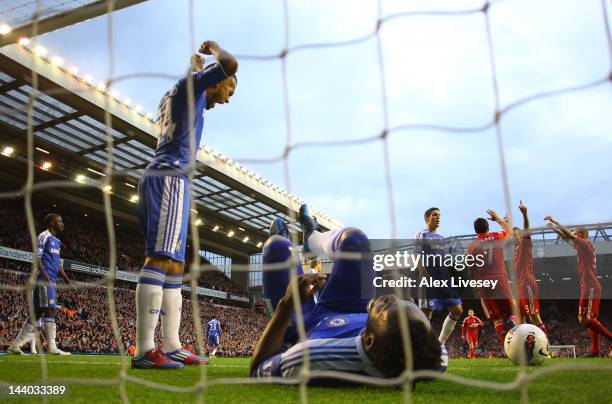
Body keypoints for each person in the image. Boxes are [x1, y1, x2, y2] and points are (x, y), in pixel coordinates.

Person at [133, 40, 238, 369]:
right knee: (161, 259)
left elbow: (191, 84)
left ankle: (173, 345)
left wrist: (194, 67)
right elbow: (231, 64)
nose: (228, 98)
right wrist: (216, 50)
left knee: (176, 266)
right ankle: (145, 349)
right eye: (229, 90)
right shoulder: (193, 86)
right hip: (170, 178)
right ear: (215, 80)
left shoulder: (179, 92)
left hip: (167, 178)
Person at [251, 205, 446, 381]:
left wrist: (286, 305)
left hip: (304, 326)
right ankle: (312, 238)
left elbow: (257, 369)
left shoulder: (312, 358)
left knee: (276, 246)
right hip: (348, 306)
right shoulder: (432, 354)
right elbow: (435, 354)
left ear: (368, 341)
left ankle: (285, 244)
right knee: (354, 240)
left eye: (387, 306)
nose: (392, 297)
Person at [544, 216, 611, 357]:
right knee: (591, 319)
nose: (573, 236)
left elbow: (569, 236)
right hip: (589, 285)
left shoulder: (585, 244)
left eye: (575, 234)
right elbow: (567, 238)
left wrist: (556, 222)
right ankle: (595, 351)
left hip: (590, 286)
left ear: (581, 235)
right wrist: (555, 229)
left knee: (584, 319)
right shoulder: (582, 246)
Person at [8, 214, 71, 355]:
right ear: (51, 222)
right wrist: (44, 274)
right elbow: (37, 256)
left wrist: (67, 279)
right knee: (50, 309)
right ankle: (52, 347)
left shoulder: (57, 241)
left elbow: (58, 263)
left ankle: (15, 346)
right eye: (59, 221)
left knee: (38, 313)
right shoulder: (44, 236)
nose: (62, 223)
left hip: (51, 280)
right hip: (43, 279)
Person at [466, 209, 518, 345]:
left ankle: (508, 347)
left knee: (497, 319)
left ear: (476, 231)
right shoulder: (497, 236)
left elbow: (470, 269)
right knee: (512, 313)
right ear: (488, 227)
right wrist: (500, 220)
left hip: (483, 283)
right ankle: (515, 331)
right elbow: (510, 231)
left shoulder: (472, 247)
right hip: (499, 278)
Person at [415, 207, 463, 345]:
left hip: (444, 277)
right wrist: (423, 272)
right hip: (429, 276)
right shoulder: (421, 234)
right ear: (427, 218)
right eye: (434, 215)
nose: (438, 217)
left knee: (457, 310)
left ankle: (440, 344)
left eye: (439, 215)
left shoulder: (441, 238)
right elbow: (417, 255)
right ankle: (420, 347)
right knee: (426, 314)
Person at [513, 201, 547, 335]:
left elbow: (526, 229)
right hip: (520, 285)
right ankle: (525, 349)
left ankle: (546, 347)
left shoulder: (524, 243)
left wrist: (525, 214)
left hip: (527, 283)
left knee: (534, 316)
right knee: (521, 319)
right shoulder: (516, 249)